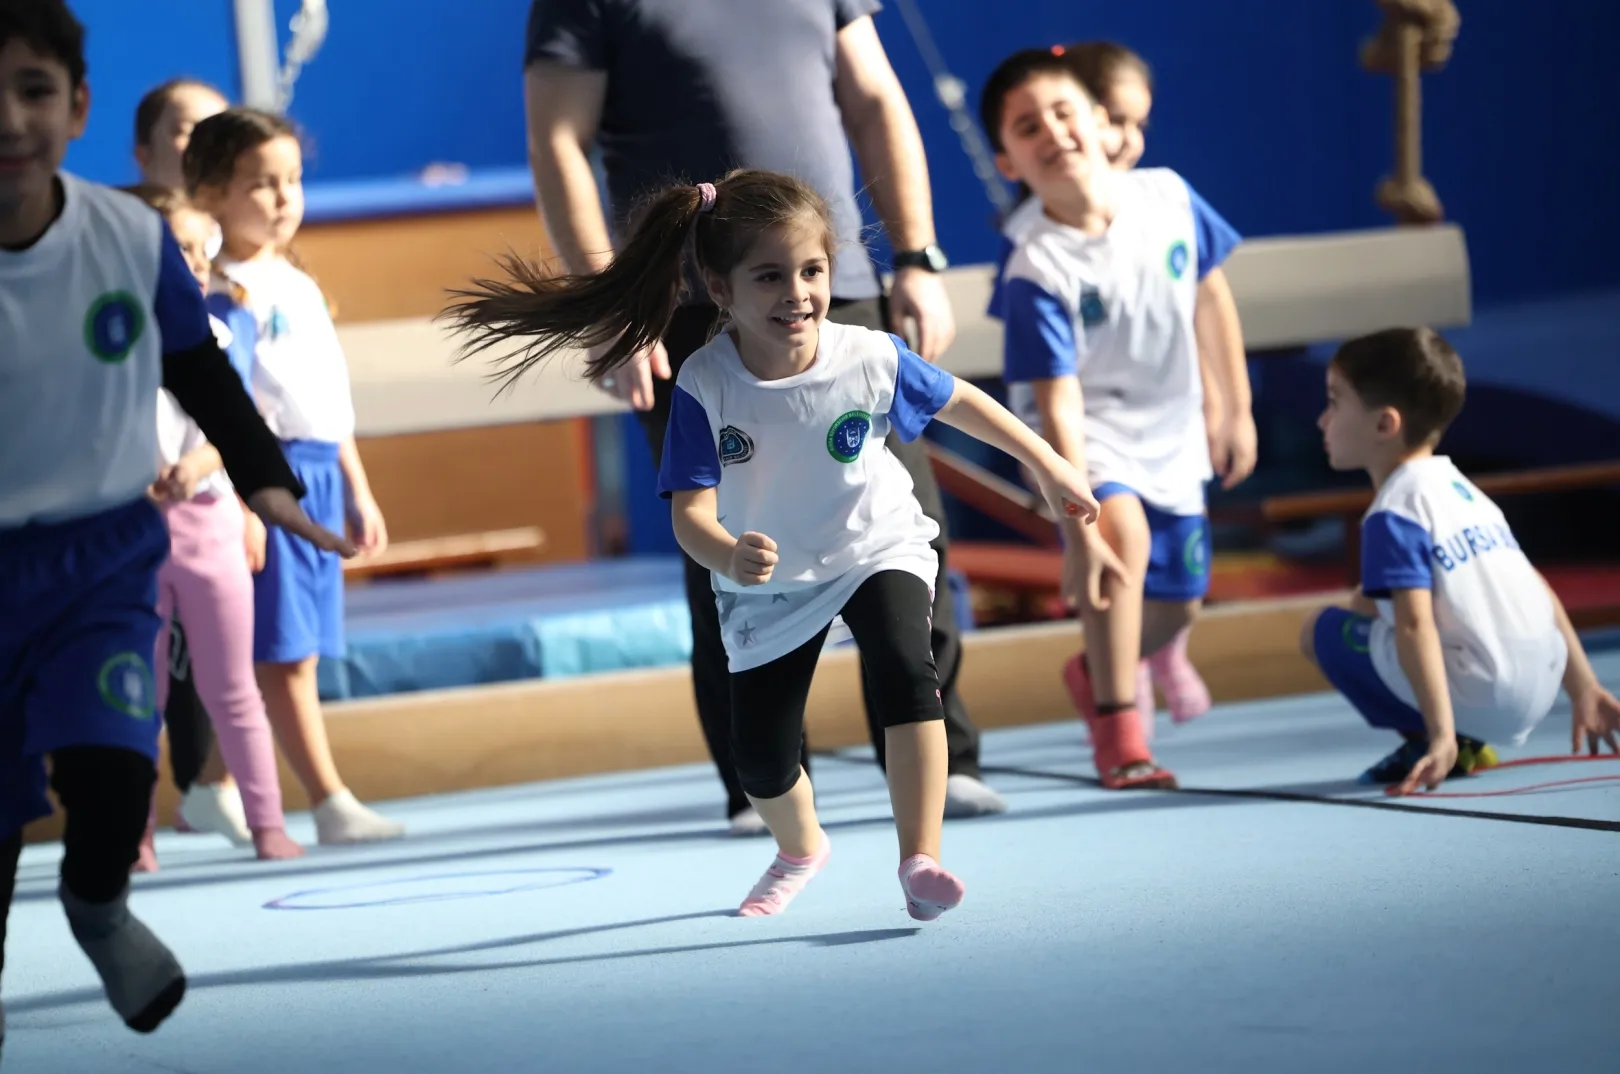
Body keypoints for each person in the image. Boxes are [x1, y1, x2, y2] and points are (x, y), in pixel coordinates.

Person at [442, 169, 1100, 918]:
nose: (798, 293)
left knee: (906, 673)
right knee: (759, 756)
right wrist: (726, 553)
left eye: (813, 271)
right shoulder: (704, 384)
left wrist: (1049, 465)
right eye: (770, 276)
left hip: (875, 545)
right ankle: (799, 846)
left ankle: (920, 859)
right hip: (771, 581)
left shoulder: (870, 356)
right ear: (720, 289)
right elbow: (690, 514)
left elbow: (964, 403)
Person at [522, 0, 1007, 833]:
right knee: (718, 532)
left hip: (833, 285)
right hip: (690, 305)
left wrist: (917, 255)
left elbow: (874, 98)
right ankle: (763, 780)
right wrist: (611, 303)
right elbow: (557, 138)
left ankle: (944, 755)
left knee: (902, 519)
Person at [0, 0, 351, 1048]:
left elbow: (200, 371)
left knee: (114, 771)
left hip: (101, 559)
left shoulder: (125, 237)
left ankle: (99, 906)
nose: (9, 119)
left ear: (77, 108)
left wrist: (265, 482)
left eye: (33, 91)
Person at [979, 48, 1249, 789]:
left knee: (1181, 603)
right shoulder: (1036, 266)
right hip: (1080, 433)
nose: (1053, 133)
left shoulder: (1169, 198)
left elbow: (1211, 295)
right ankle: (1120, 731)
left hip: (1173, 425)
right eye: (1028, 128)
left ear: (1102, 121)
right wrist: (1078, 523)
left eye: (1063, 112)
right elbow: (1059, 402)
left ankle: (1099, 667)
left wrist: (1234, 408)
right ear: (1007, 162)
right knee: (1120, 537)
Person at [182, 107, 406, 845]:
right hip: (271, 483)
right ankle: (328, 799)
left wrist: (358, 486)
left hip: (320, 474)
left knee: (293, 642)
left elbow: (328, 402)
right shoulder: (222, 295)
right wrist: (246, 500)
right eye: (261, 184)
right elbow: (228, 410)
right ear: (211, 194)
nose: (283, 198)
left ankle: (211, 784)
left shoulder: (296, 281)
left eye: (293, 180)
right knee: (287, 653)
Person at [1302, 327, 1620, 792]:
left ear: (1385, 425)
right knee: (1363, 603)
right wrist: (1585, 688)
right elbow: (1539, 590)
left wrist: (1441, 735)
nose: (1321, 420)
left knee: (1322, 631)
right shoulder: (1465, 493)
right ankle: (1462, 733)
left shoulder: (1394, 513)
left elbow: (1415, 627)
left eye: (1334, 402)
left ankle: (1439, 742)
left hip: (1482, 698)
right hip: (1542, 688)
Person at [125, 181, 303, 864]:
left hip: (208, 525)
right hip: (134, 535)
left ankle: (267, 822)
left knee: (232, 687)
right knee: (135, 693)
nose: (198, 265)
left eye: (205, 251)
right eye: (182, 250)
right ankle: (132, 835)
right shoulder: (107, 343)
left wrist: (200, 465)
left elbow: (236, 426)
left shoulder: (217, 335)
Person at [133, 77, 246, 851]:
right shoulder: (120, 257)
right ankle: (136, 817)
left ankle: (216, 785)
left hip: (217, 500)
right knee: (145, 663)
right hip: (142, 512)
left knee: (223, 655)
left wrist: (246, 495)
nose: (199, 142)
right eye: (182, 130)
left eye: (214, 128)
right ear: (143, 154)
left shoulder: (241, 265)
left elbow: (252, 408)